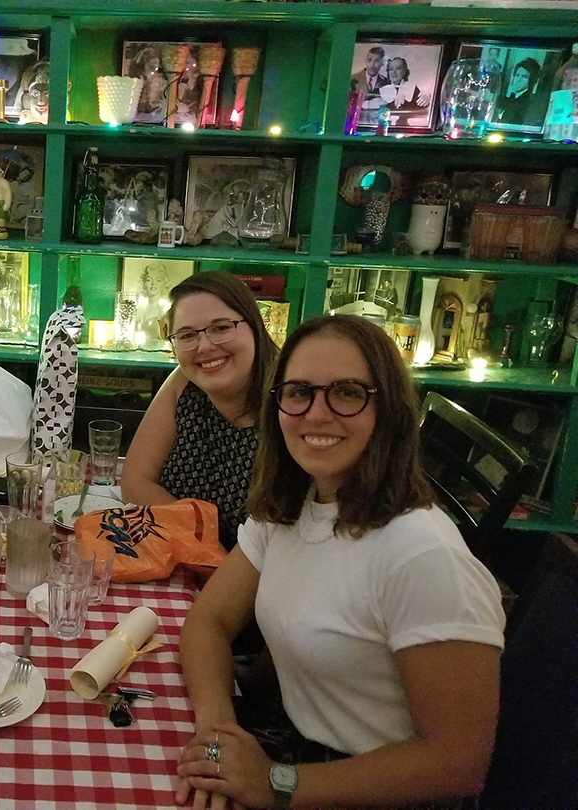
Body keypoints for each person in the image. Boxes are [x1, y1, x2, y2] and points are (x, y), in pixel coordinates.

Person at [175, 314, 504, 810]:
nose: (316, 414)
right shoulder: (297, 502)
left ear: (387, 410)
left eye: (347, 392)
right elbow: (209, 621)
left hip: (366, 789)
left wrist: (275, 784)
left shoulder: (424, 558)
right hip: (292, 745)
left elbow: (458, 763)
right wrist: (217, 733)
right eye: (298, 391)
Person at [121, 272, 279, 550]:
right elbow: (135, 481)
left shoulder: (291, 401)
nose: (204, 347)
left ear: (254, 326)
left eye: (221, 328)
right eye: (187, 335)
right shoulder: (184, 383)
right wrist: (201, 537)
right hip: (190, 562)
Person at [495, 57, 540, 125]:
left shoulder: (529, 102)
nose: (518, 79)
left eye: (524, 76)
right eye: (517, 75)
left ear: (532, 80)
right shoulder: (512, 97)